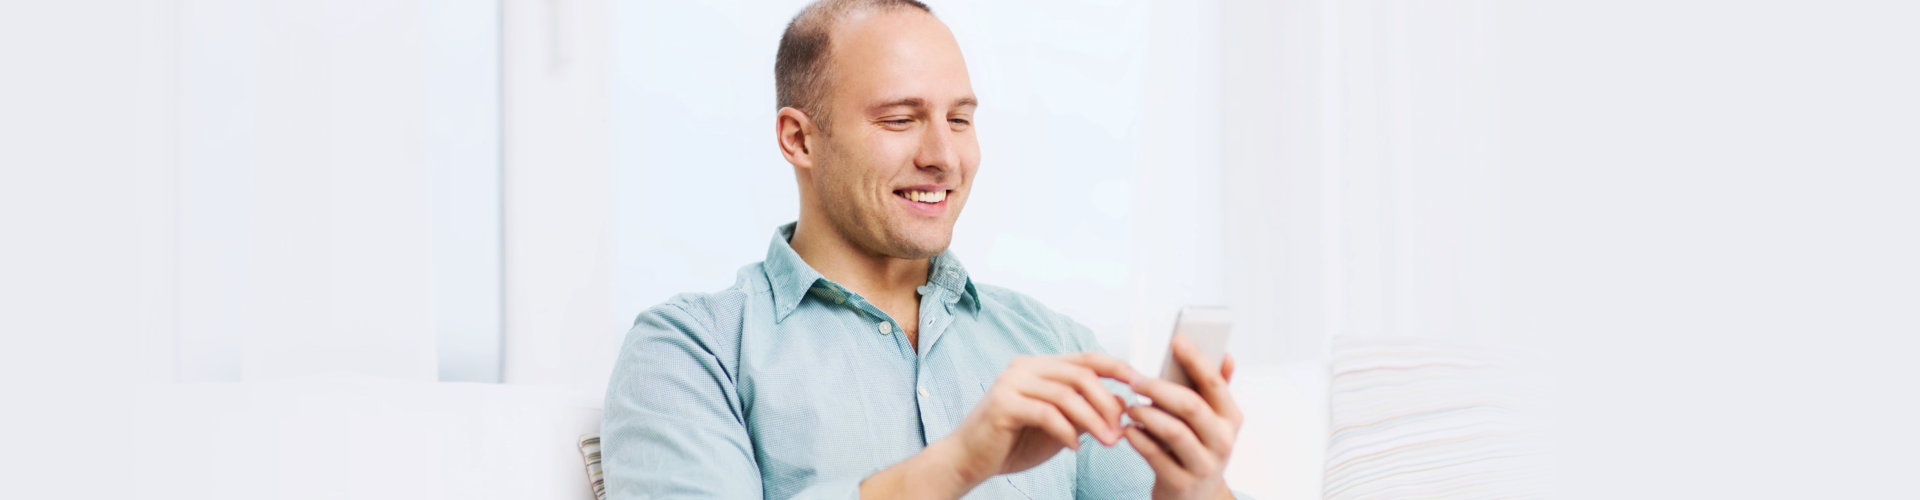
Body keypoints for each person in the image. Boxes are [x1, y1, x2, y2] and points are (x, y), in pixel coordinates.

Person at [601, 1, 1245, 498]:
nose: (943, 157)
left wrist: (1194, 487)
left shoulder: (1050, 344)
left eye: (959, 119)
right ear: (799, 138)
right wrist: (960, 463)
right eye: (900, 119)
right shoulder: (691, 349)